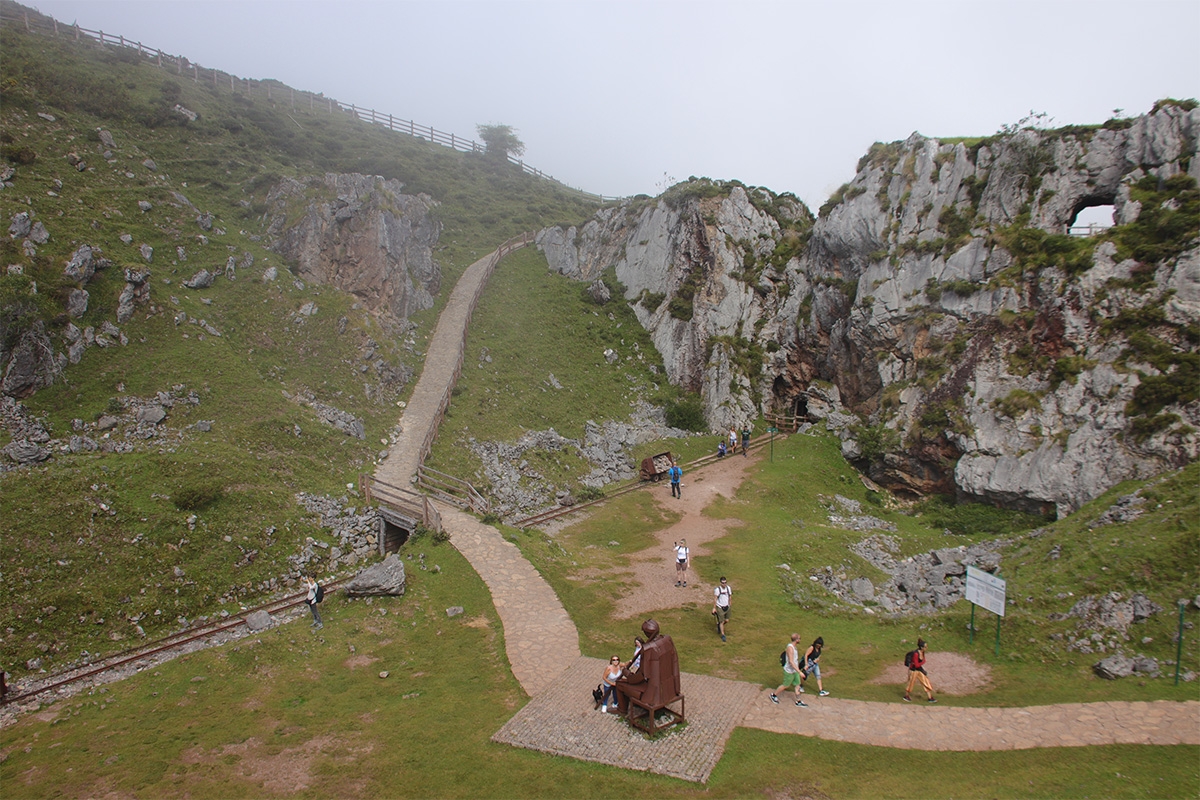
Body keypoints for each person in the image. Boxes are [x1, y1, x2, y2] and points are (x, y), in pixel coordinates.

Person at [615, 619, 681, 715]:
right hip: (670, 689)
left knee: (620, 684)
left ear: (646, 633)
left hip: (653, 693)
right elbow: (675, 663)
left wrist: (627, 674)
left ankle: (622, 710)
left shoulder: (648, 649)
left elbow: (641, 676)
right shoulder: (668, 640)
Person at [771, 633, 807, 706]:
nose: (800, 640)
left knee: (797, 684)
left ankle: (798, 701)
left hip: (795, 670)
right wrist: (799, 672)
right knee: (785, 685)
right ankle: (774, 695)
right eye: (799, 638)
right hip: (789, 671)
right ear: (796, 640)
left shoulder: (794, 647)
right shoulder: (790, 648)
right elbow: (791, 661)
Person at [904, 638, 936, 703]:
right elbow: (916, 665)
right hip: (913, 670)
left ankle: (930, 697)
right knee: (911, 683)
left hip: (919, 670)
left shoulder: (923, 652)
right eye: (925, 647)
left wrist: (922, 664)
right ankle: (906, 695)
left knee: (925, 681)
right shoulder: (916, 654)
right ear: (921, 647)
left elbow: (920, 663)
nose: (926, 648)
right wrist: (923, 662)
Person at [712, 577, 732, 641]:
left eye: (725, 582)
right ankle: (723, 634)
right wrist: (714, 608)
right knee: (722, 621)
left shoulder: (728, 588)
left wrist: (730, 605)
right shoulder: (718, 590)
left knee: (727, 620)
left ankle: (719, 626)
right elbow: (715, 599)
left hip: (727, 606)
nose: (724, 584)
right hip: (720, 607)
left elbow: (730, 596)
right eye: (723, 583)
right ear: (720, 583)